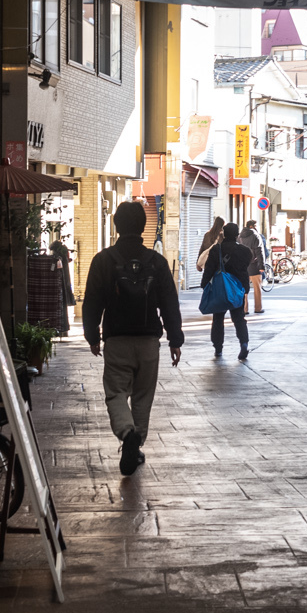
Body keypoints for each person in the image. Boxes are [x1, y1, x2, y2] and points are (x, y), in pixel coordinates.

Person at [82, 201, 183, 476]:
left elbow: (92, 301)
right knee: (142, 397)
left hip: (116, 341)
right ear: (142, 227)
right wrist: (175, 339)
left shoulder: (103, 260)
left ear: (116, 226)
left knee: (116, 393)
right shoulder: (157, 262)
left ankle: (127, 436)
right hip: (149, 341)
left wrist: (92, 334)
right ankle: (135, 444)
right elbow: (169, 304)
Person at [201, 227, 252, 361]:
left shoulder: (216, 250)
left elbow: (209, 269)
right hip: (236, 290)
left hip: (220, 289)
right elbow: (245, 269)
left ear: (223, 234)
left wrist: (204, 284)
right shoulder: (244, 251)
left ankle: (218, 348)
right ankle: (244, 343)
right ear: (237, 235)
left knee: (218, 318)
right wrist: (245, 289)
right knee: (239, 318)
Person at [240, 220, 265, 313]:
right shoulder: (255, 236)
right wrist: (262, 266)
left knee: (244, 288)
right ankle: (258, 308)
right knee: (257, 288)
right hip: (254, 265)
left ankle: (244, 309)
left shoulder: (240, 236)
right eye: (256, 225)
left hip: (243, 266)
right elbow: (259, 251)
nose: (257, 227)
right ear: (252, 226)